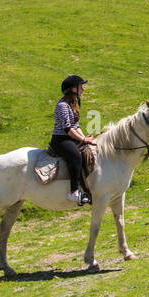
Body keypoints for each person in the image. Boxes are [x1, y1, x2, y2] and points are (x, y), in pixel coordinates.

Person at [49, 74, 95, 205]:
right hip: (61, 140)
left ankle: (86, 188)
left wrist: (85, 138)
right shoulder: (62, 106)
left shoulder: (73, 104)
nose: (83, 90)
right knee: (75, 155)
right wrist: (83, 139)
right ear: (73, 89)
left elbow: (76, 126)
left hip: (71, 136)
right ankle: (73, 192)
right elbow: (67, 129)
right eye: (80, 87)